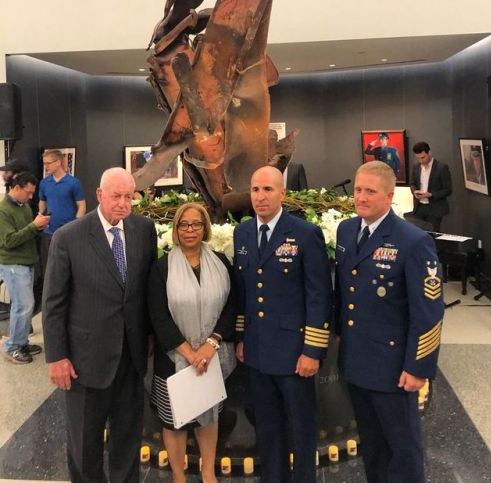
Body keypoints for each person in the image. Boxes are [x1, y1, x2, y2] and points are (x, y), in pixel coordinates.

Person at [42, 167, 157, 482]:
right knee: (84, 444)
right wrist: (56, 356)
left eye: (129, 197)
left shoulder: (144, 230)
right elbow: (53, 303)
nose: (123, 203)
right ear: (99, 195)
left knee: (128, 440)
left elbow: (145, 290)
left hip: (131, 359)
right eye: (116, 196)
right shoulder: (69, 237)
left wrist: (148, 335)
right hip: (85, 361)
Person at [335, 160, 445, 483]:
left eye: (370, 191)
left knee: (403, 449)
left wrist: (418, 367)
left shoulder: (412, 241)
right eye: (358, 190)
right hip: (356, 363)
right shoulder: (346, 230)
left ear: (388, 196)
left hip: (394, 368)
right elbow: (344, 291)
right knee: (373, 446)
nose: (361, 197)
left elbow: (429, 311)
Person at [234, 166, 333, 483]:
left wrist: (313, 350)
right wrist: (241, 338)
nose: (260, 197)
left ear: (283, 194)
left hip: (294, 354)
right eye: (254, 190)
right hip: (259, 352)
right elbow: (244, 292)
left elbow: (319, 296)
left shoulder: (304, 233)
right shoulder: (244, 232)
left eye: (267, 190)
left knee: (301, 428)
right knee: (267, 427)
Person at [148, 202, 236, 483]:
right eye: (183, 225)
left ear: (205, 227)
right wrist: (189, 352)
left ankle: (208, 471)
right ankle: (178, 475)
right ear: (175, 229)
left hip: (211, 356)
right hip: (174, 359)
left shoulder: (221, 262)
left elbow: (232, 306)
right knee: (174, 421)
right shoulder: (161, 268)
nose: (190, 230)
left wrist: (210, 345)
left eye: (196, 224)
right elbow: (158, 316)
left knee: (208, 417)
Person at [0, 172, 50, 363]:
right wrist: (33, 227)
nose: (31, 197)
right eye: (28, 193)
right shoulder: (3, 210)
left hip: (26, 262)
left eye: (32, 193)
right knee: (24, 306)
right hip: (12, 264)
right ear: (16, 188)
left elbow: (26, 233)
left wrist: (38, 227)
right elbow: (9, 240)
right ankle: (13, 347)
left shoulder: (24, 207)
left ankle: (20, 342)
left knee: (24, 306)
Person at [38, 149, 86, 275]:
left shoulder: (74, 183)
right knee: (49, 269)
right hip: (48, 233)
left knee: (69, 267)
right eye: (44, 163)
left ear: (58, 162)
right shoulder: (44, 183)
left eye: (48, 163)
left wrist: (76, 224)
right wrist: (40, 215)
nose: (46, 166)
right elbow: (42, 201)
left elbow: (81, 205)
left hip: (68, 232)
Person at [410, 141, 452, 232]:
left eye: (423, 157)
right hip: (419, 207)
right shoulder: (416, 167)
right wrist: (414, 192)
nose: (421, 161)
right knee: (417, 235)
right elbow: (412, 183)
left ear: (429, 153)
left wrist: (431, 194)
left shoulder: (442, 167)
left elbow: (448, 190)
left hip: (434, 208)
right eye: (418, 158)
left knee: (432, 236)